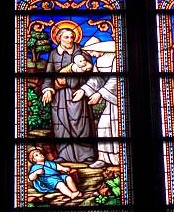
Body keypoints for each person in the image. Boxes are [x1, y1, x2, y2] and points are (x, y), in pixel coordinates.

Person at [41, 23, 96, 163]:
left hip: (77, 93)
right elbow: (49, 73)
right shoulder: (54, 54)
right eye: (66, 37)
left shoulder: (82, 53)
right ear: (58, 38)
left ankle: (86, 155)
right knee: (61, 124)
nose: (70, 40)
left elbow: (90, 72)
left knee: (82, 124)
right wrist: (47, 88)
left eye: (72, 37)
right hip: (59, 96)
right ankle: (64, 155)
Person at [72, 37, 119, 169]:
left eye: (92, 51)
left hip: (120, 100)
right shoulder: (99, 61)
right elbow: (95, 80)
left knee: (118, 128)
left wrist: (100, 94)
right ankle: (104, 158)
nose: (91, 54)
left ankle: (119, 158)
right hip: (110, 100)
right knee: (104, 126)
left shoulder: (116, 58)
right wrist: (83, 90)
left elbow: (116, 79)